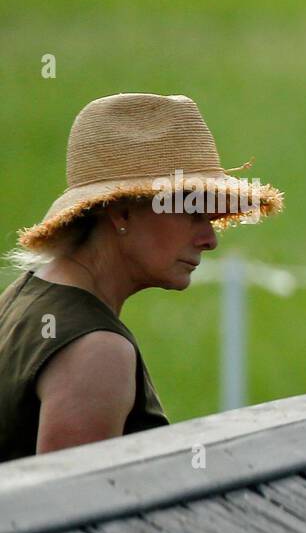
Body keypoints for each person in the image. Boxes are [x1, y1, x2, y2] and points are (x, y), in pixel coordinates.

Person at [0, 93, 283, 463]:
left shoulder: (21, 299)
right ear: (122, 213)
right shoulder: (97, 350)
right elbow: (71, 510)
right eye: (193, 213)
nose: (210, 240)